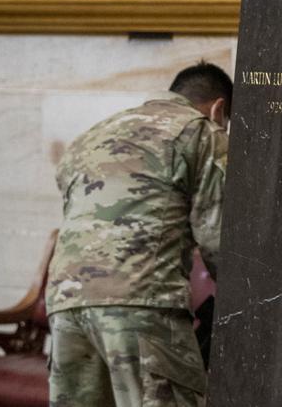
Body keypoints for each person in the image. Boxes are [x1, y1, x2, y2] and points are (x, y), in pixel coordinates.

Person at [46, 62, 233, 407]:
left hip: (66, 306)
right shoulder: (202, 132)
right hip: (143, 306)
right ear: (219, 108)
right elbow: (218, 239)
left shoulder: (93, 135)